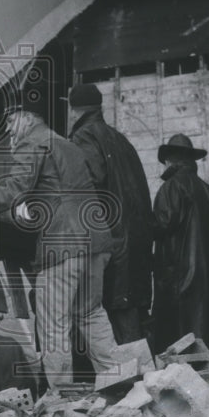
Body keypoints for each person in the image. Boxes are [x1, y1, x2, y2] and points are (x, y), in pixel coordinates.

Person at [0, 87, 119, 388]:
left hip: (62, 245)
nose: (8, 133)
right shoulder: (66, 142)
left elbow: (11, 192)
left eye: (8, 125)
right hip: (96, 239)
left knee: (53, 327)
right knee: (91, 314)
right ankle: (120, 384)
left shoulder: (30, 143)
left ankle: (60, 404)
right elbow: (57, 194)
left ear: (20, 119)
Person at [65, 83, 155, 344]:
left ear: (73, 111)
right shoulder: (120, 139)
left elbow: (86, 188)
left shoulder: (84, 136)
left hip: (113, 243)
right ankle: (146, 376)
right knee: (134, 315)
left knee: (118, 318)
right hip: (134, 242)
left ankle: (133, 382)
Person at [151, 133, 209, 357]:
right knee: (206, 344)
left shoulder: (172, 187)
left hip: (181, 280)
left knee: (181, 351)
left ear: (169, 160)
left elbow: (162, 225)